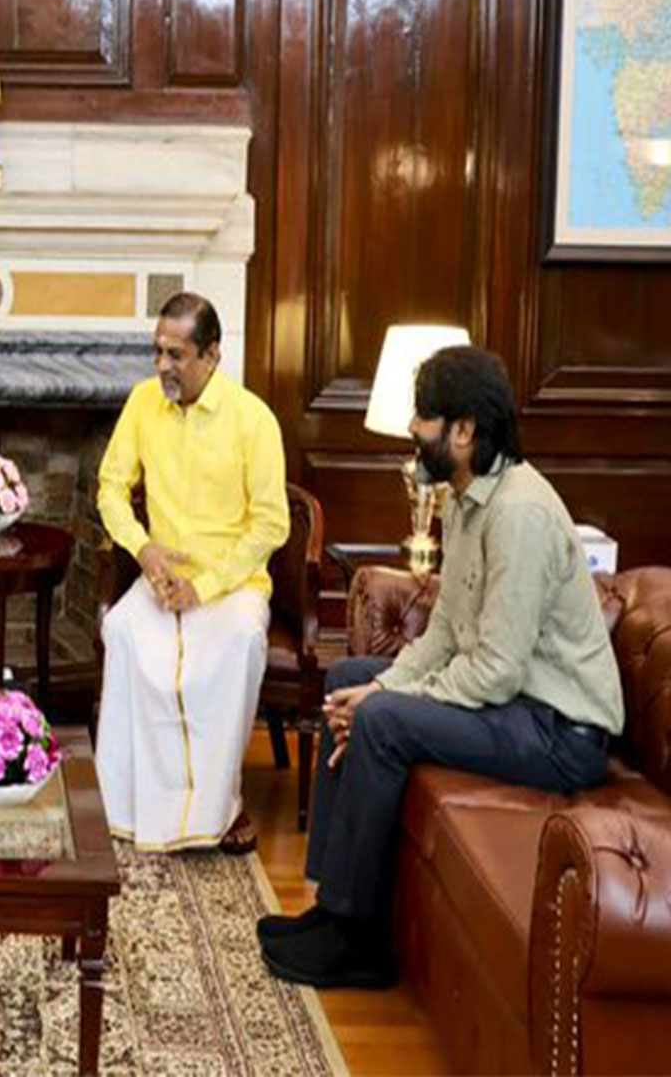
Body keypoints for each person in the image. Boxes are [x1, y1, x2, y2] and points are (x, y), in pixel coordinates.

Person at [259, 346, 623, 988]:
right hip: (516, 708)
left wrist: (387, 703)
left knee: (382, 722)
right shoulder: (464, 499)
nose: (412, 430)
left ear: (463, 430)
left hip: (559, 734)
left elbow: (495, 673)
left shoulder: (519, 514)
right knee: (348, 683)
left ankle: (360, 941)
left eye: (423, 418)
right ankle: (330, 909)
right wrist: (377, 684)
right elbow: (446, 633)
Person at [95, 292, 290, 853]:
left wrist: (203, 586)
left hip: (230, 585)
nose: (162, 366)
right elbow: (110, 488)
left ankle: (219, 807)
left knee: (239, 644)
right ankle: (131, 806)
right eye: (157, 352)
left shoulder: (254, 420)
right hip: (158, 578)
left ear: (212, 356)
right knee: (126, 631)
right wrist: (143, 549)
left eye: (176, 355)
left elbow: (270, 525)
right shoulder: (141, 404)